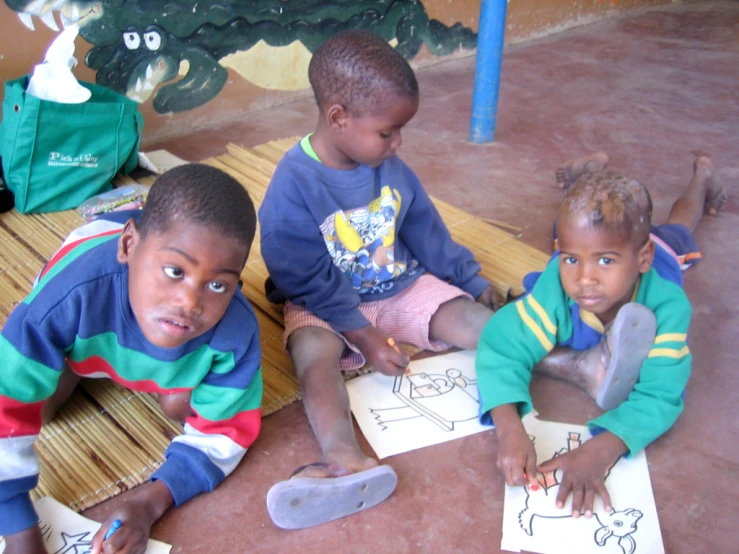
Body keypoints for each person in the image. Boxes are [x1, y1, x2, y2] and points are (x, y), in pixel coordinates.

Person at [258, 30, 497, 529]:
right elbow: (298, 272)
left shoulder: (391, 168)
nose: (398, 142)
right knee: (313, 359)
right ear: (338, 117)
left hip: (399, 284)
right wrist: (359, 332)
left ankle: (577, 363)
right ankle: (342, 457)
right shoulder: (294, 182)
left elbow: (426, 230)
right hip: (323, 301)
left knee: (478, 322)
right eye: (387, 132)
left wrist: (470, 281)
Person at [0, 164, 263, 554]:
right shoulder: (66, 297)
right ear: (128, 246)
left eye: (217, 284)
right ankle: (72, 358)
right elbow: (7, 407)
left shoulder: (235, 331)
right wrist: (21, 534)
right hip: (87, 312)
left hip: (137, 324)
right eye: (175, 271)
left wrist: (148, 502)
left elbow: (225, 431)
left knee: (181, 406)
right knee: (44, 409)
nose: (189, 303)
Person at [476, 152, 727, 518]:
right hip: (597, 231)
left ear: (642, 258)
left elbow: (661, 395)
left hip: (666, 254)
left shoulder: (667, 307)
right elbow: (501, 345)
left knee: (680, 228)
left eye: (606, 261)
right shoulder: (559, 283)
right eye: (570, 260)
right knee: (577, 226)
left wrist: (601, 449)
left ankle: (701, 179)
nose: (585, 279)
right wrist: (509, 427)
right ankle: (589, 175)